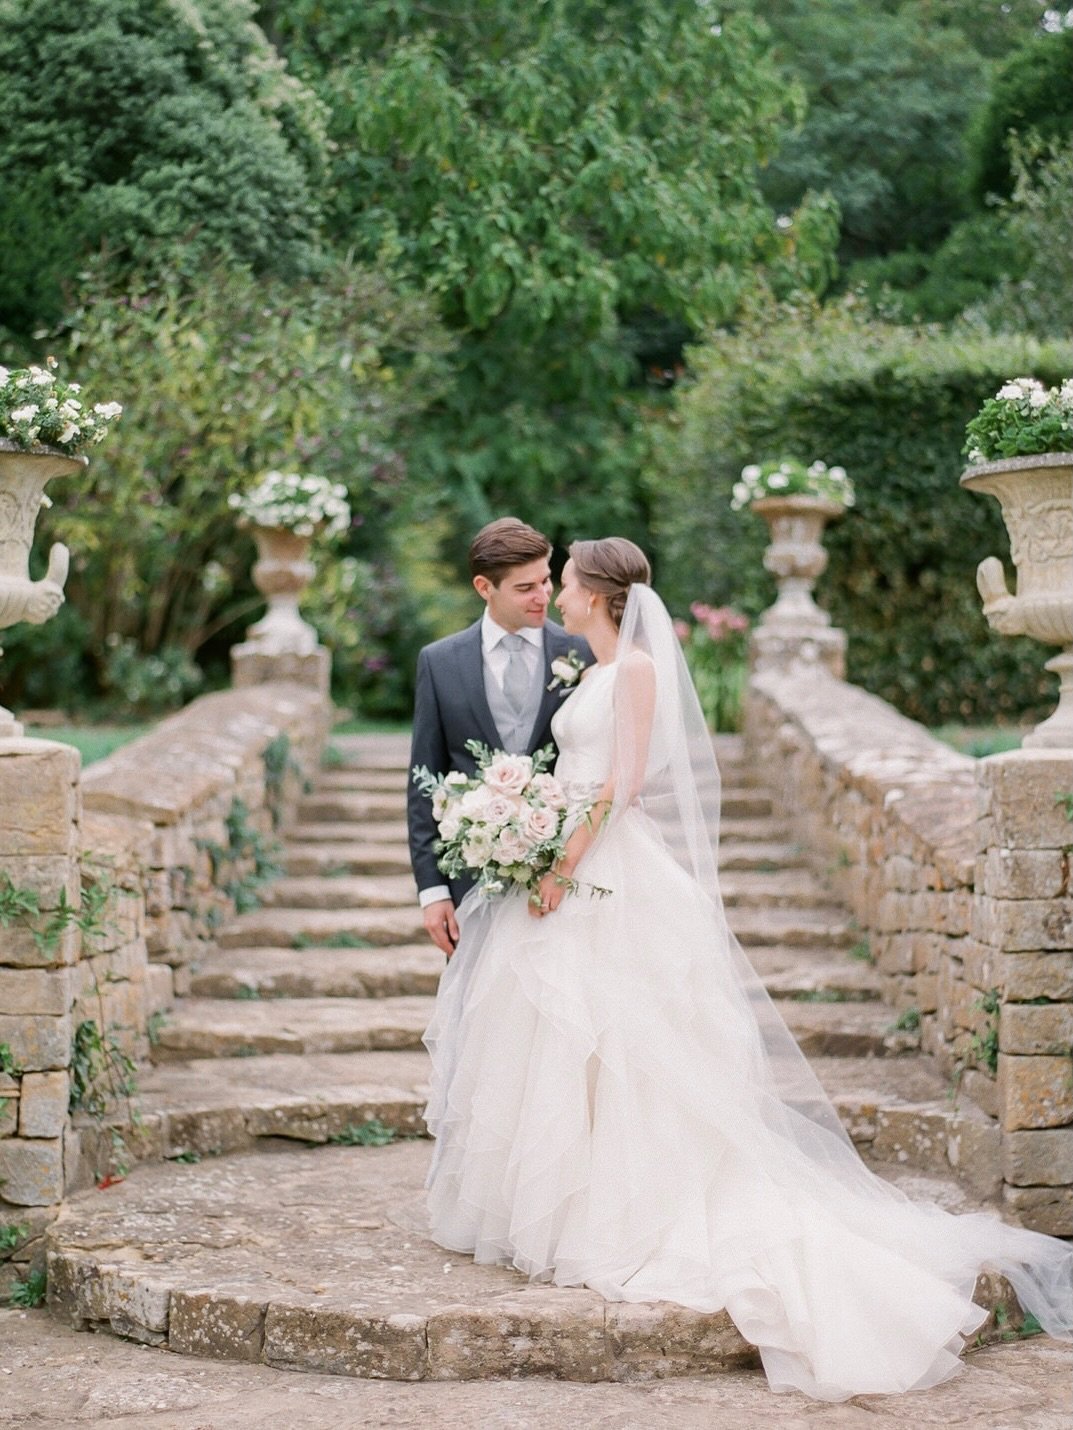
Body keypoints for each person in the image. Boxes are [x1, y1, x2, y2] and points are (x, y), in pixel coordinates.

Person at [422, 536, 1073, 1401]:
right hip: (573, 859)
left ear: (599, 593)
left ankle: (627, 1208)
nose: (557, 593)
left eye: (566, 581)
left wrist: (558, 863)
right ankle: (562, 1198)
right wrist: (530, 829)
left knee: (629, 1039)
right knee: (559, 1036)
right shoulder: (588, 669)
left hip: (602, 868)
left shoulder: (637, 671)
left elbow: (617, 786)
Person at [407, 517, 592, 957]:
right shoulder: (440, 662)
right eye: (525, 587)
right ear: (483, 587)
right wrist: (432, 891)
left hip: (561, 871)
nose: (543, 595)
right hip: (471, 874)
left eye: (546, 580)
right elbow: (424, 778)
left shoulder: (581, 651)